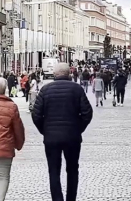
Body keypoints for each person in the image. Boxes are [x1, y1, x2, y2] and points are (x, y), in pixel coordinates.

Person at [32, 63, 93, 201]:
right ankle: (71, 198)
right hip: (72, 137)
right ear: (69, 74)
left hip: (51, 138)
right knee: (72, 170)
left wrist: (45, 130)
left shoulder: (45, 90)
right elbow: (87, 113)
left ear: (54, 74)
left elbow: (36, 114)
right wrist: (78, 129)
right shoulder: (77, 89)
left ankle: (57, 199)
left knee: (53, 170)